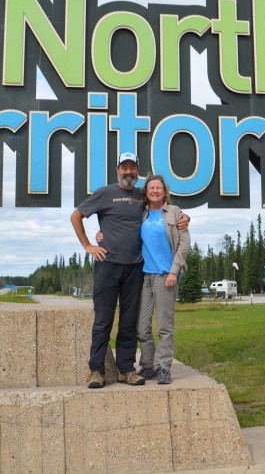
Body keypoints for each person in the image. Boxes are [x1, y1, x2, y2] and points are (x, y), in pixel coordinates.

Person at [70, 153, 188, 389]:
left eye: (132, 168)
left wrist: (185, 216)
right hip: (107, 267)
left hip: (136, 269)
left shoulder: (141, 197)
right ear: (117, 170)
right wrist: (88, 245)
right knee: (103, 321)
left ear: (137, 172)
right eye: (124, 168)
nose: (128, 172)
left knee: (128, 323)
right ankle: (96, 371)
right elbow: (76, 215)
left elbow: (161, 210)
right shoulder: (105, 193)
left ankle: (127, 369)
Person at [135, 174, 190, 385]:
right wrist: (102, 234)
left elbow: (184, 244)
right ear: (146, 192)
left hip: (166, 276)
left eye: (158, 187)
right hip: (144, 277)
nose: (155, 191)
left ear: (164, 191)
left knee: (164, 327)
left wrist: (174, 272)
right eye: (151, 188)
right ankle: (148, 366)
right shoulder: (141, 213)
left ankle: (164, 367)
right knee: (142, 327)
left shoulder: (174, 212)